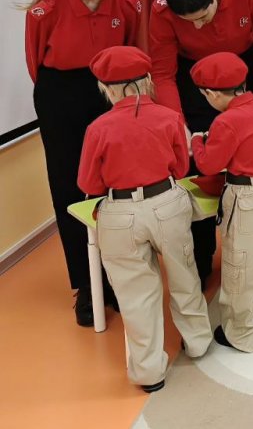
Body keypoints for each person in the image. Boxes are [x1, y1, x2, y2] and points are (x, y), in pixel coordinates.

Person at [78, 47, 212, 393]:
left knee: (136, 294)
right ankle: (198, 342)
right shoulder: (169, 117)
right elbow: (180, 168)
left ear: (106, 88)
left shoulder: (97, 128)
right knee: (184, 274)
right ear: (148, 80)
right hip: (166, 203)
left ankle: (150, 372)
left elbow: (89, 184)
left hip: (121, 212)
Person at [23, 0, 141, 326]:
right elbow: (36, 64)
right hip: (60, 94)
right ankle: (87, 285)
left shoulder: (127, 4)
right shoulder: (45, 9)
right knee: (69, 186)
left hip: (106, 90)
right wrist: (63, 99)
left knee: (115, 183)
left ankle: (117, 276)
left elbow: (127, 49)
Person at [149, 0, 253, 287]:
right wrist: (178, 125)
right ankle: (201, 253)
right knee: (197, 164)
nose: (197, 26)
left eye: (202, 17)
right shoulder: (162, 9)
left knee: (248, 160)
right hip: (194, 79)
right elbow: (163, 74)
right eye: (189, 22)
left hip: (242, 71)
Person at [189, 52, 253, 352]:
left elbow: (208, 164)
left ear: (214, 93)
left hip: (247, 196)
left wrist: (197, 141)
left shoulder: (227, 121)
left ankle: (240, 333)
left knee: (240, 266)